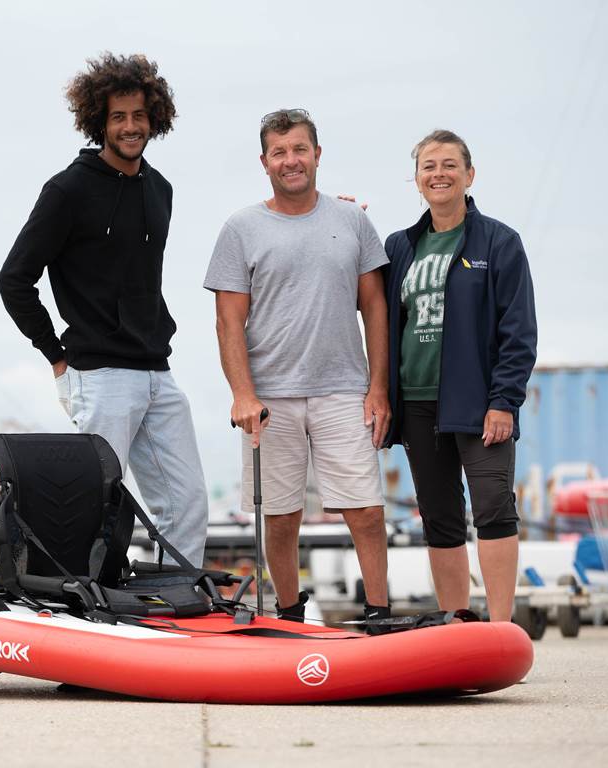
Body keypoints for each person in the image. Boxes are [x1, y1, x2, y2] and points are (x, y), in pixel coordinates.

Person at [0, 53, 207, 568]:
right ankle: (80, 612)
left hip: (158, 369)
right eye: (118, 117)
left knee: (187, 504)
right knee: (92, 509)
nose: (130, 126)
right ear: (100, 122)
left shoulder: (161, 190)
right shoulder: (68, 189)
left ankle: (176, 604)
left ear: (154, 117)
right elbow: (14, 278)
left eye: (138, 115)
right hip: (100, 373)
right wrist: (56, 356)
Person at [204, 108, 391, 629]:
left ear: (317, 154)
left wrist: (378, 388)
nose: (291, 161)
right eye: (280, 152)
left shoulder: (353, 220)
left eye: (300, 149)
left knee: (366, 511)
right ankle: (288, 615)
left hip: (344, 388)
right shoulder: (240, 228)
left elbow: (374, 307)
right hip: (270, 397)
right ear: (264, 162)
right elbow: (228, 321)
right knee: (280, 518)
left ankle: (379, 613)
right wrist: (242, 394)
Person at [382, 129, 537, 622]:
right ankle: (457, 625)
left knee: (493, 509)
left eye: (449, 164)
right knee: (441, 518)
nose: (439, 174)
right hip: (418, 402)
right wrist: (344, 222)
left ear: (469, 175)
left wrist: (504, 401)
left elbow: (519, 331)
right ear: (417, 180)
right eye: (428, 166)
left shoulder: (499, 242)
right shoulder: (399, 247)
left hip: (479, 403)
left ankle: (499, 627)